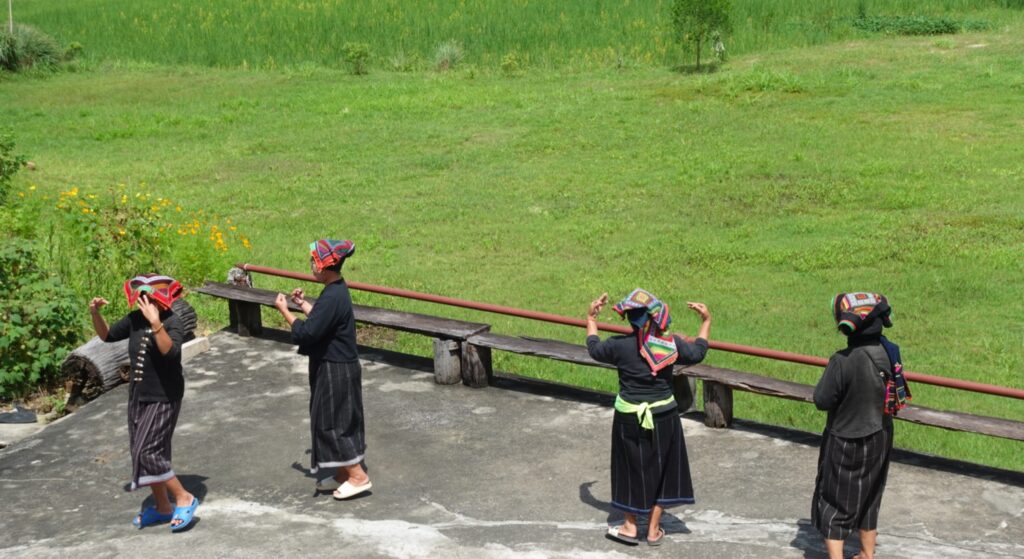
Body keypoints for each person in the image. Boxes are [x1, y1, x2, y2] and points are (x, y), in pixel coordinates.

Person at [586, 288, 711, 546]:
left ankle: (630, 526)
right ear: (655, 317)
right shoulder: (670, 345)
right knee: (664, 469)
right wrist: (706, 321)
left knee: (629, 469)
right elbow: (698, 352)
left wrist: (591, 319)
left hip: (628, 417)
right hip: (664, 415)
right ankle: (654, 529)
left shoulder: (618, 346)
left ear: (630, 318)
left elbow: (594, 348)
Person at [90, 274, 199, 531]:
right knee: (141, 453)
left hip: (163, 397)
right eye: (141, 296)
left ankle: (184, 497)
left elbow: (171, 353)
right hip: (139, 396)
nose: (144, 301)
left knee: (147, 452)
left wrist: (156, 323)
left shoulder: (173, 321)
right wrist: (95, 313)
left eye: (149, 297)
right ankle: (163, 507)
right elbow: (106, 336)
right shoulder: (134, 320)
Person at [274, 239, 372, 500]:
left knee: (332, 423)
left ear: (324, 267)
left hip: (335, 369)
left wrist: (285, 311)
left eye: (314, 262)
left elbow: (307, 333)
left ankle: (358, 476)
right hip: (337, 365)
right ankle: (342, 473)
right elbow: (322, 320)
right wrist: (302, 305)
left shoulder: (333, 295)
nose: (311, 265)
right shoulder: (336, 290)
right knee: (335, 419)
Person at [812, 292, 904, 559]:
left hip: (846, 439)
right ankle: (866, 554)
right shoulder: (890, 352)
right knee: (871, 494)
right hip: (881, 435)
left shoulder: (842, 361)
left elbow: (822, 399)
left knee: (834, 500)